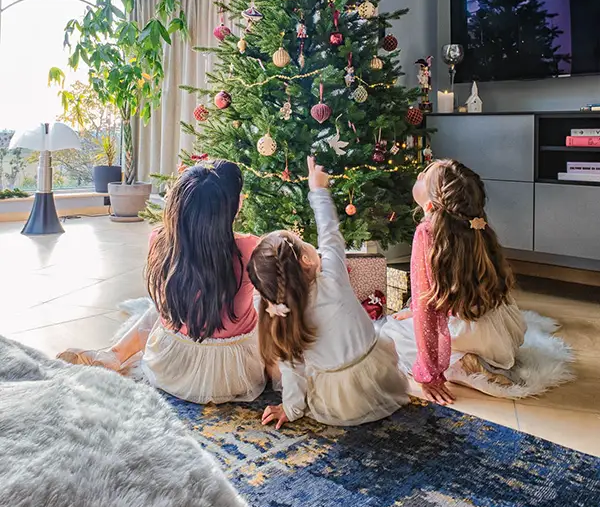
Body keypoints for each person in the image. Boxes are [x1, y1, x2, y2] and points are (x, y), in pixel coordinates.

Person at [58, 161, 266, 404]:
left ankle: (114, 355)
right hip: (234, 377)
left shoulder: (160, 241)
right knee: (260, 299)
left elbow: (164, 304)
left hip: (171, 370)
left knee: (163, 305)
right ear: (234, 207)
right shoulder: (251, 248)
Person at [247, 156, 409, 428]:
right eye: (302, 242)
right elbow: (330, 233)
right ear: (306, 260)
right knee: (386, 334)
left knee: (304, 363)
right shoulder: (333, 278)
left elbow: (292, 372)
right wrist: (318, 190)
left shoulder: (279, 314)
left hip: (337, 402)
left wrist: (291, 408)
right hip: (378, 381)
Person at [383, 158, 531, 405]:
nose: (418, 175)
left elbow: (428, 308)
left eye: (422, 177)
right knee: (411, 316)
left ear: (430, 203)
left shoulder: (427, 233)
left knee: (389, 333)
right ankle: (483, 360)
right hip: (497, 332)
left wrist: (429, 375)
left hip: (462, 330)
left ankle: (462, 365)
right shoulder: (476, 224)